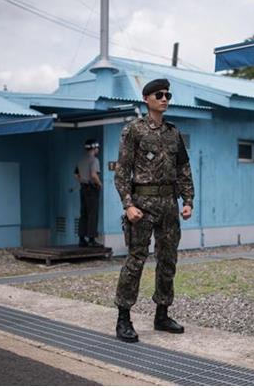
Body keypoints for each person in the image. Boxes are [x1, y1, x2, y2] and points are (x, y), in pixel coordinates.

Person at [114, 78, 194, 343]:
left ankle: (162, 314)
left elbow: (184, 169)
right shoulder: (133, 131)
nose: (164, 99)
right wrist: (128, 205)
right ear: (146, 99)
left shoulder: (174, 133)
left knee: (168, 260)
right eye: (159, 95)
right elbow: (122, 171)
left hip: (169, 205)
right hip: (142, 206)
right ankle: (123, 319)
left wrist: (188, 201)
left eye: (167, 95)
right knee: (136, 260)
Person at [75, 139, 104, 248]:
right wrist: (100, 184)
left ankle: (81, 239)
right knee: (93, 213)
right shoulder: (94, 160)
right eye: (97, 148)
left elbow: (76, 175)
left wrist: (83, 181)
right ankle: (92, 239)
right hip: (92, 189)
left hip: (83, 188)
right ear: (94, 148)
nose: (98, 149)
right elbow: (93, 175)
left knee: (83, 214)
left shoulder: (81, 160)